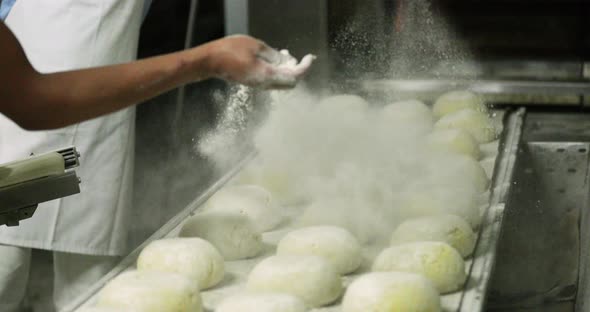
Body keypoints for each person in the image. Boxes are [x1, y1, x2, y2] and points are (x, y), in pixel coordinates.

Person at [0, 2, 313, 311]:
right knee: (6, 264)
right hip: (41, 58)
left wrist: (208, 61)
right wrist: (208, 61)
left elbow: (34, 99)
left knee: (88, 280)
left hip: (69, 66)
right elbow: (34, 100)